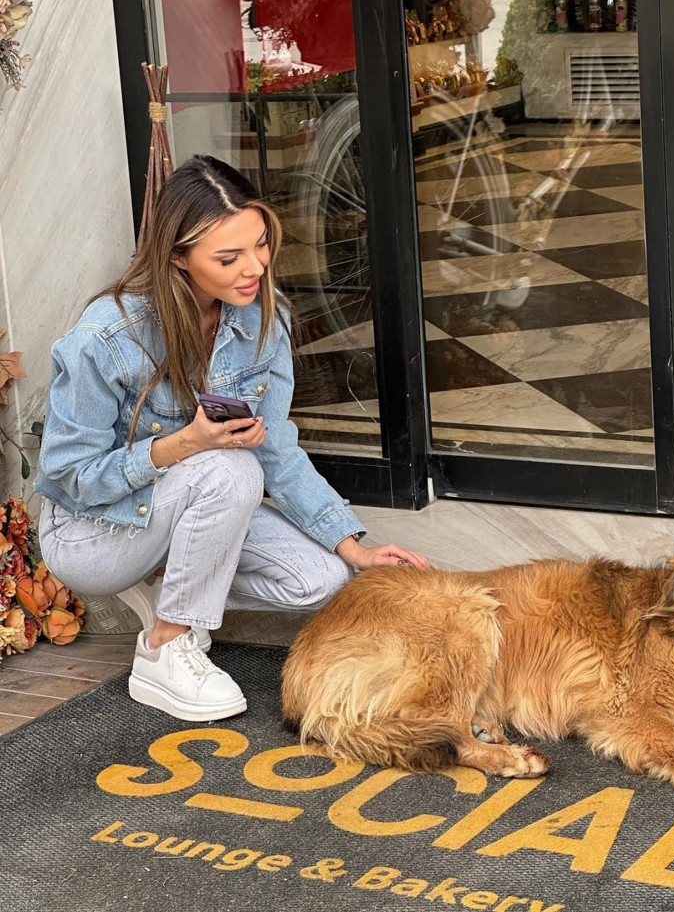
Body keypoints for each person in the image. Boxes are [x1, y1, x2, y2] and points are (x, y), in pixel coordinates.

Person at [35, 155, 429, 722]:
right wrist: (187, 444)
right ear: (177, 256)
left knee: (320, 579)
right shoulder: (107, 337)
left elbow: (276, 450)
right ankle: (165, 647)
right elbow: (71, 476)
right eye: (229, 258)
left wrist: (352, 545)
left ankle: (176, 586)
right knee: (232, 468)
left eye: (261, 244)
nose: (255, 268)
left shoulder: (264, 318)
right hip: (94, 532)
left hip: (188, 506)